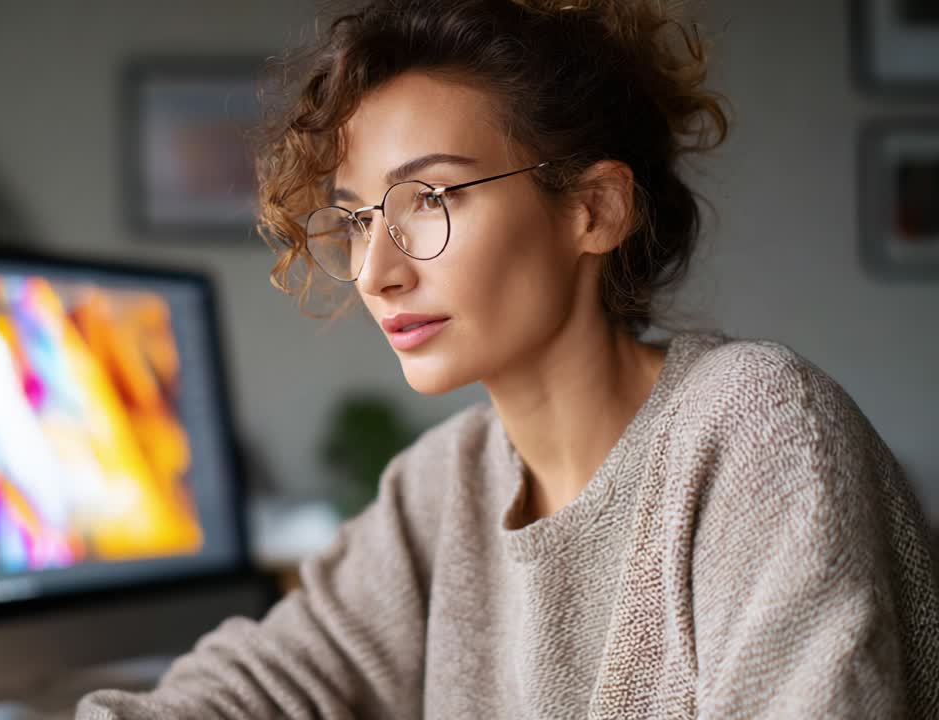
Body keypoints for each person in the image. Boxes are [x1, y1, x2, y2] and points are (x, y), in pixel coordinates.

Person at [80, 0, 939, 717]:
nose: (377, 272)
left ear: (594, 210)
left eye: (432, 197)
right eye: (358, 218)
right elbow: (257, 687)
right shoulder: (440, 486)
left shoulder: (757, 431)